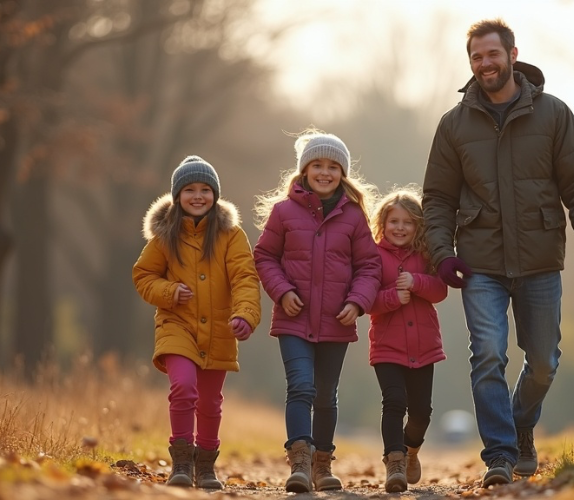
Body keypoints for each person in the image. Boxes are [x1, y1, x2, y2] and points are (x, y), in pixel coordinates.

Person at [422, 19, 574, 488]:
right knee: (487, 354)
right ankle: (500, 455)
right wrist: (442, 254)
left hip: (540, 258)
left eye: (492, 54)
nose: (485, 64)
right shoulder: (454, 124)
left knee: (544, 360)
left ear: (512, 54)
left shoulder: (553, 114)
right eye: (476, 58)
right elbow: (438, 199)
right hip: (479, 261)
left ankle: (520, 422)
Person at [253, 129, 382, 493]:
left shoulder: (354, 217)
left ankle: (323, 464)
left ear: (343, 173)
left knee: (326, 393)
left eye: (333, 166)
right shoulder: (283, 212)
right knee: (301, 388)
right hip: (293, 319)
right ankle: (300, 462)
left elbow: (370, 266)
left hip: (336, 320)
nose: (325, 172)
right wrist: (282, 290)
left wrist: (357, 302)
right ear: (304, 170)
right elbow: (264, 256)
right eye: (317, 165)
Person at [132, 155, 262, 489]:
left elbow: (245, 278)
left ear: (216, 194)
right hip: (177, 325)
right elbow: (144, 275)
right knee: (183, 387)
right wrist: (169, 291)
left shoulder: (231, 235)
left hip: (220, 327)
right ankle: (180, 462)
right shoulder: (165, 236)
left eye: (205, 189)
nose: (198, 196)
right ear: (177, 195)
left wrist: (245, 315)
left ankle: (205, 467)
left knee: (209, 402)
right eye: (190, 189)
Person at [367, 187, 448, 493]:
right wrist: (391, 298)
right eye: (394, 221)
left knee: (421, 412)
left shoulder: (426, 255)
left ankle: (411, 449)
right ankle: (395, 462)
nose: (400, 228)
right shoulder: (373, 255)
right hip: (387, 345)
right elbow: (366, 300)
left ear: (418, 226)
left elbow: (441, 290)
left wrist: (417, 283)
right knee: (394, 401)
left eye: (408, 222)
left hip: (424, 346)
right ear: (383, 224)